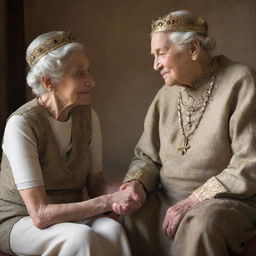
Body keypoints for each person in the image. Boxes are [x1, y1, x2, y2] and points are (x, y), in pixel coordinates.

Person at [113, 10, 256, 256]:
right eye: (154, 55)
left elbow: (249, 163)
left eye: (161, 53)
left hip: (226, 203)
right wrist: (135, 183)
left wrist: (194, 200)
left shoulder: (241, 81)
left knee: (200, 223)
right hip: (168, 201)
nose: (155, 64)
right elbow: (147, 157)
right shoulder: (165, 95)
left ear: (192, 49)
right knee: (135, 218)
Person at [0, 31, 132, 256]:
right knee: (80, 237)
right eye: (79, 74)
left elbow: (96, 183)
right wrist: (108, 201)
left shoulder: (88, 117)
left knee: (112, 229)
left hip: (70, 217)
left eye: (87, 71)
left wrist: (124, 192)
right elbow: (40, 215)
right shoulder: (21, 124)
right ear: (48, 82)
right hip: (19, 220)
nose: (91, 81)